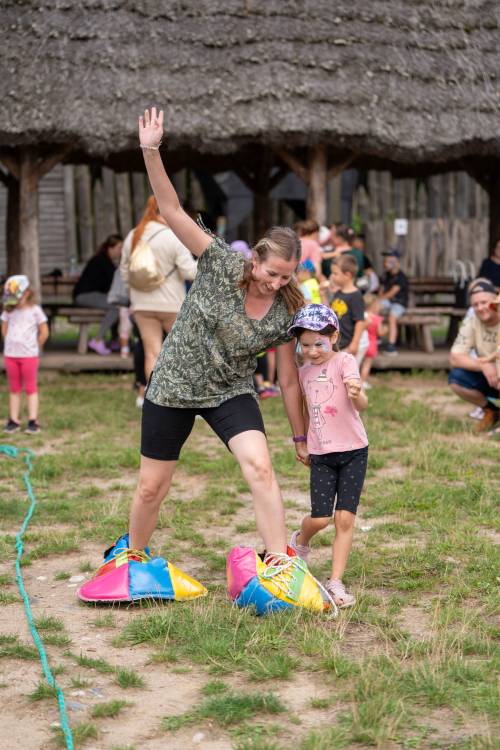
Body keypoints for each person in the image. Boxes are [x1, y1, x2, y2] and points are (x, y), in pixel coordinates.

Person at [84, 107, 320, 606]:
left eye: (284, 277)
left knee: (260, 467)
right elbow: (170, 210)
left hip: (230, 391)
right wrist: (151, 149)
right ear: (254, 257)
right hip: (172, 385)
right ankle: (134, 555)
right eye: (269, 272)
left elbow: (291, 380)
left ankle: (278, 562)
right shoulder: (218, 262)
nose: (274, 282)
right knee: (153, 487)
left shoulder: (287, 311)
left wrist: (301, 435)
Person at [287, 303, 368, 608]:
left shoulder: (344, 362)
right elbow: (306, 409)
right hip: (321, 452)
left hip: (354, 451)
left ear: (334, 336)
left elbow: (362, 404)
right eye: (305, 345)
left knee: (344, 518)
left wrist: (356, 392)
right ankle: (300, 542)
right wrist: (302, 442)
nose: (311, 351)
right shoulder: (303, 372)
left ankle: (335, 583)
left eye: (318, 343)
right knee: (321, 518)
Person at [120, 196, 198, 380]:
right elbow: (189, 272)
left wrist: (134, 293)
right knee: (182, 352)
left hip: (142, 305)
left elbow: (124, 271)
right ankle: (182, 398)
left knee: (152, 354)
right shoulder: (173, 236)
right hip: (171, 305)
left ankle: (153, 402)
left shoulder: (134, 235)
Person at [448, 279, 499, 432]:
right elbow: (455, 357)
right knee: (456, 378)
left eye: (484, 302)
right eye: (475, 305)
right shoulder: (473, 321)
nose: (480, 308)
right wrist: (484, 365)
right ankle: (492, 412)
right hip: (491, 377)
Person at [1, 275, 49, 434]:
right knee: (14, 388)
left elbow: (44, 331)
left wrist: (35, 345)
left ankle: (33, 421)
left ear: (27, 293)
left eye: (17, 297)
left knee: (30, 387)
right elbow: (4, 329)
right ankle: (13, 420)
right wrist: (11, 341)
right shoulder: (8, 311)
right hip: (11, 356)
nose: (13, 301)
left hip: (29, 356)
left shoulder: (35, 311)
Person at [73, 234, 123, 355]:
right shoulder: (103, 261)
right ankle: (97, 340)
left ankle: (115, 340)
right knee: (115, 308)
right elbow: (112, 285)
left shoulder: (105, 260)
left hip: (89, 294)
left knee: (117, 305)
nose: (121, 251)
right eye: (119, 248)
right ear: (110, 248)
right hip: (84, 296)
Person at [329, 255, 366, 362]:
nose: (332, 276)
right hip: (337, 342)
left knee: (347, 375)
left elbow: (360, 321)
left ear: (347, 275)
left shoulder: (355, 295)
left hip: (348, 344)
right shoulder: (338, 293)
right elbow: (330, 312)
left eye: (335, 273)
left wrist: (355, 343)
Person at [378, 249, 408, 355]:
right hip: (387, 302)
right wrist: (377, 301)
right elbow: (381, 291)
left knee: (392, 317)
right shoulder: (385, 275)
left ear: (397, 263)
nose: (386, 264)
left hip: (399, 303)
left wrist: (379, 299)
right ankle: (376, 336)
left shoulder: (401, 277)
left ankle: (391, 346)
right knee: (374, 308)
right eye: (386, 261)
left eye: (390, 261)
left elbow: (392, 293)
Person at [360, 294, 386, 388]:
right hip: (372, 344)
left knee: (358, 363)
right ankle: (362, 382)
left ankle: (356, 380)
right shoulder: (377, 319)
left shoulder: (362, 316)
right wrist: (386, 330)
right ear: (374, 306)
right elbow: (380, 333)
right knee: (367, 364)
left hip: (362, 343)